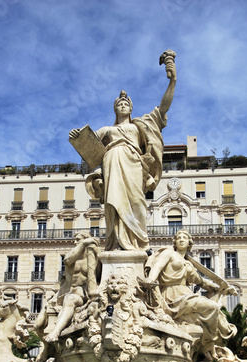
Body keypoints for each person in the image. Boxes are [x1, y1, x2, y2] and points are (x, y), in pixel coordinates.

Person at [69, 50, 177, 251]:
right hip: (111, 161)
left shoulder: (140, 125)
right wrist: (77, 135)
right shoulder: (107, 130)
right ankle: (116, 243)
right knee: (112, 204)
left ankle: (138, 244)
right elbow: (88, 145)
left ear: (131, 109)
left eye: (126, 103)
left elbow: (163, 108)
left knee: (137, 201)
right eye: (119, 103)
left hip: (134, 163)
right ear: (114, 109)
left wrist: (172, 81)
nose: (123, 104)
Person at [144, 230, 237, 360]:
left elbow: (201, 281)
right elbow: (157, 267)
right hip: (172, 295)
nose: (181, 240)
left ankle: (208, 344)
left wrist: (221, 288)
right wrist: (150, 279)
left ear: (189, 243)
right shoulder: (169, 253)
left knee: (213, 309)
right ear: (175, 242)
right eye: (179, 238)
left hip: (186, 294)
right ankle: (211, 342)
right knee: (212, 307)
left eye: (185, 238)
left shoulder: (188, 264)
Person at [45, 231, 100, 342]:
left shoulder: (93, 255)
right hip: (67, 290)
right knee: (38, 324)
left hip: (83, 292)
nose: (75, 242)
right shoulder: (73, 256)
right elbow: (67, 259)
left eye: (78, 239)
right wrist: (84, 243)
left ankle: (56, 332)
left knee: (70, 299)